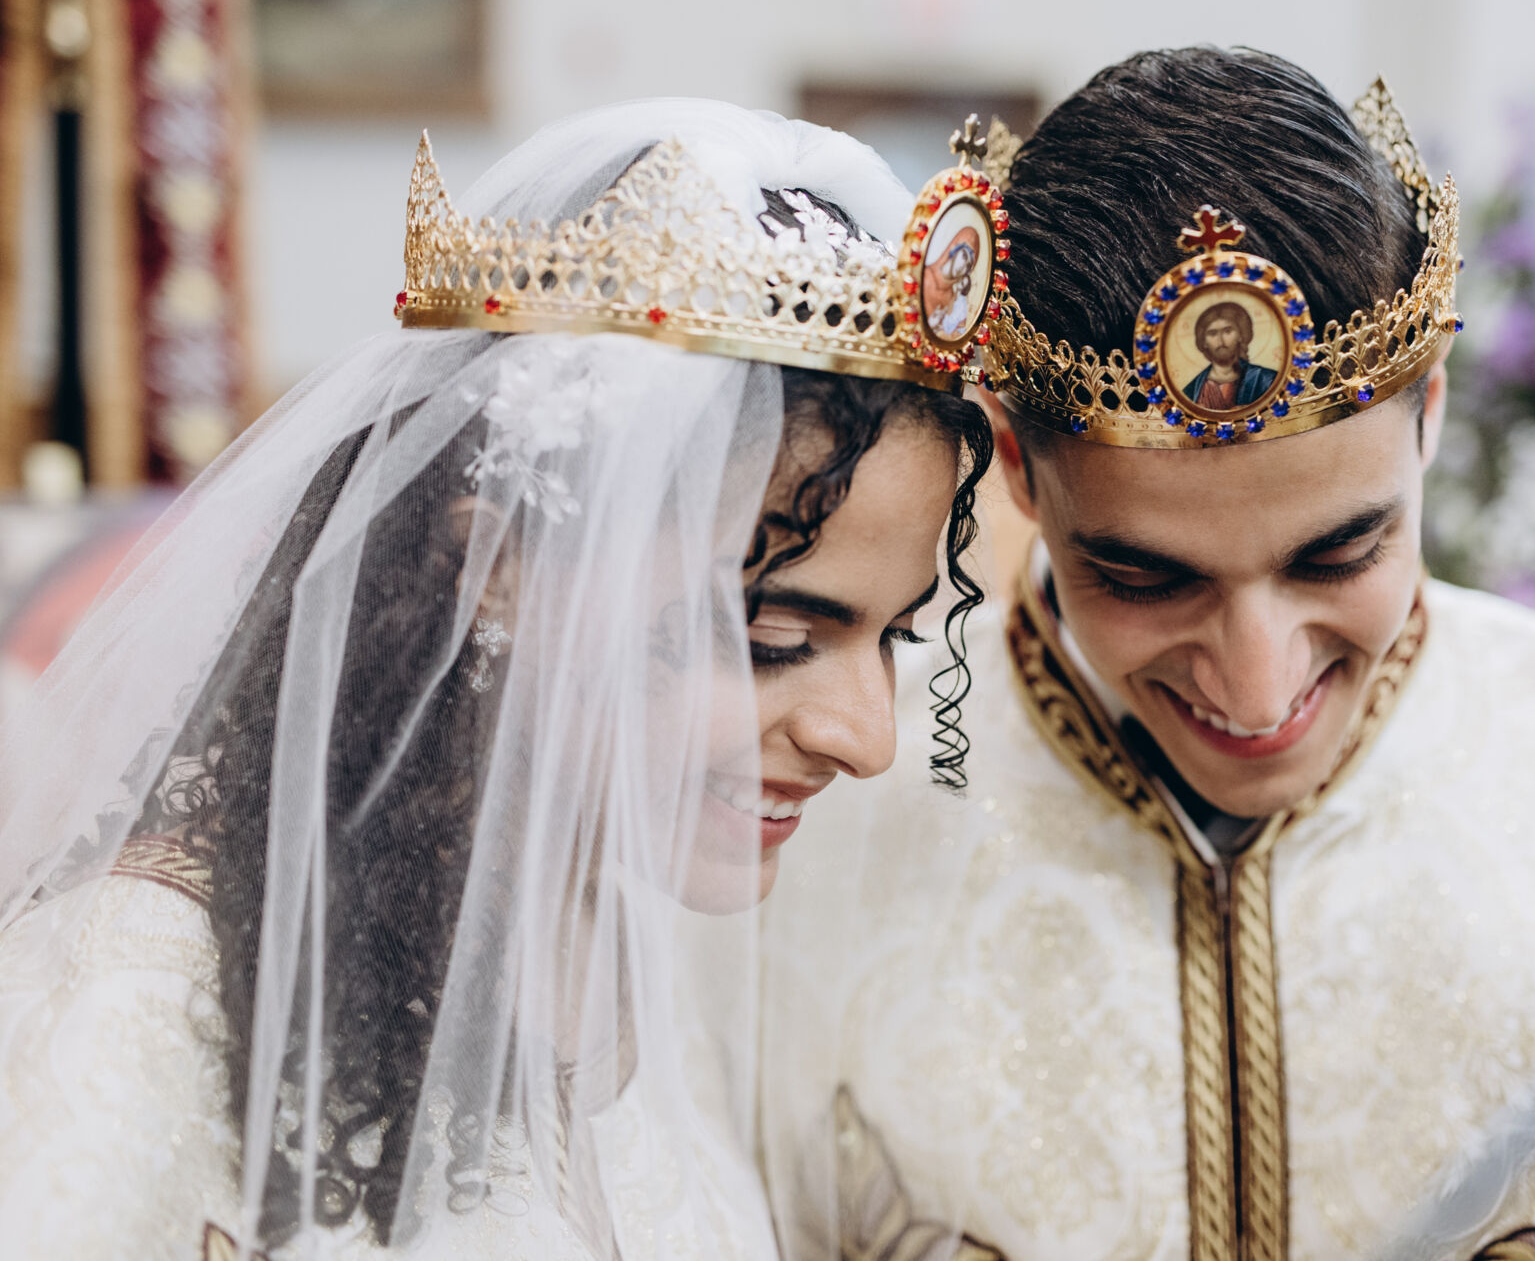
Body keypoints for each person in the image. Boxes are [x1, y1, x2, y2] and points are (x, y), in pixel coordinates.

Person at [758, 49, 1535, 1261]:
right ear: (1014, 464)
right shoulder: (825, 826)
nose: (1256, 686)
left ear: (1430, 413)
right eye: (1148, 578)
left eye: (1340, 555)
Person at [0, 100, 998, 1258]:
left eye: (895, 635)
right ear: (503, 567)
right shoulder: (133, 1004)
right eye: (772, 637)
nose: (869, 738)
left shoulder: (632, 937)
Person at [1181, 300, 1277, 411]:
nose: (1220, 340)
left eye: (1227, 331)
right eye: (1213, 333)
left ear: (1240, 335)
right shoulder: (1191, 391)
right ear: (1204, 342)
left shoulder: (1264, 379)